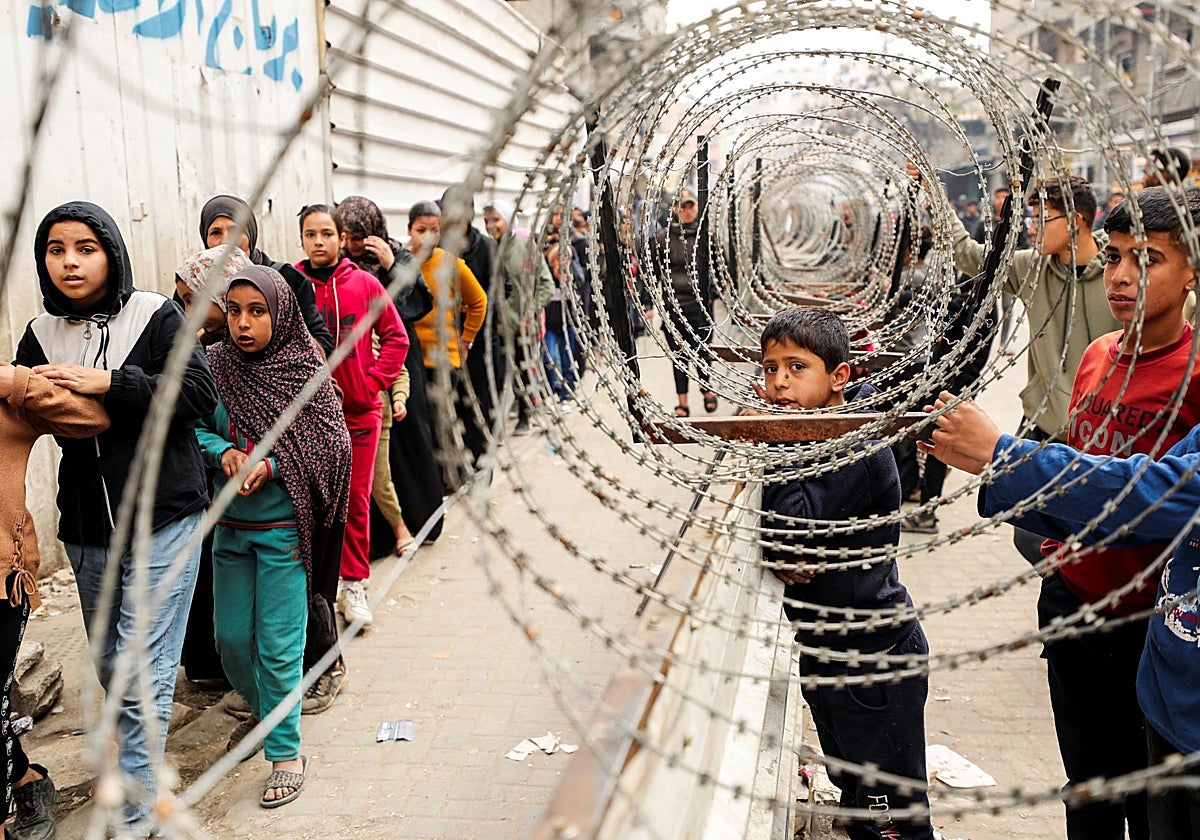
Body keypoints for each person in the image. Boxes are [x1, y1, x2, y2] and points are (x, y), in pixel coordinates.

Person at [15, 201, 218, 834]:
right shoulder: (38, 334)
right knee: (110, 664)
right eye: (56, 250)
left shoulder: (155, 314)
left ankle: (136, 817)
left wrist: (110, 383)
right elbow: (24, 414)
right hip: (87, 528)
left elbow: (196, 396)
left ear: (110, 252)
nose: (70, 262)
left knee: (142, 672)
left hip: (165, 517)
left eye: (85, 248)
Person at [921, 392, 1200, 840]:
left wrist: (1006, 456)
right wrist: (1002, 471)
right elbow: (1119, 517)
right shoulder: (1101, 358)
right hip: (1165, 692)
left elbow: (1147, 493)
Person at [756, 308, 934, 840]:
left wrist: (775, 450)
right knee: (857, 798)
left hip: (873, 658)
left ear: (839, 377)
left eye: (796, 367)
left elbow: (792, 527)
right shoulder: (813, 439)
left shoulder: (851, 444)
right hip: (830, 650)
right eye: (769, 369)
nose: (780, 382)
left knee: (891, 819)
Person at [908, 164, 1120, 561]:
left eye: (1042, 219)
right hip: (1044, 427)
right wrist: (936, 196)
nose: (1033, 228)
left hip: (1104, 437)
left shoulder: (1119, 272)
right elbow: (970, 257)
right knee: (1031, 534)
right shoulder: (1031, 267)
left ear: (1074, 222)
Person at [199, 266, 352, 808]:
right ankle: (269, 717)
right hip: (229, 532)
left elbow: (332, 441)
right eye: (234, 310)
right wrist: (224, 453)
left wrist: (275, 464)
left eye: (257, 311)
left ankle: (286, 755)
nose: (243, 323)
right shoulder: (213, 366)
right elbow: (189, 424)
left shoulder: (305, 369)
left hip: (285, 533)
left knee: (280, 648)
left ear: (280, 312)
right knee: (232, 644)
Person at [0, 363, 109, 839]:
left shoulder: (5, 400)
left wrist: (19, 385)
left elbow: (89, 418)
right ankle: (26, 779)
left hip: (2, 579)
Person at [295, 206, 408, 649]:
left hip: (360, 414)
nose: (319, 241)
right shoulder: (293, 287)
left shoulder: (365, 283)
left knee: (355, 500)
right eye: (310, 234)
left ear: (342, 239)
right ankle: (316, 593)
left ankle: (354, 584)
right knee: (315, 502)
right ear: (301, 239)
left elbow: (396, 337)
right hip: (312, 416)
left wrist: (372, 383)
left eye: (327, 233)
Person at [337, 195, 444, 546]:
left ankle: (420, 520)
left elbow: (419, 304)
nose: (353, 245)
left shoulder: (398, 255)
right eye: (347, 237)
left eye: (359, 237)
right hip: (358, 368)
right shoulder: (339, 268)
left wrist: (390, 266)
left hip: (397, 361)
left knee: (409, 436)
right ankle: (380, 535)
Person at [407, 200, 488, 486]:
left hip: (445, 360)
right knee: (424, 426)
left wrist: (466, 342)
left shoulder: (451, 264)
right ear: (409, 231)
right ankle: (434, 480)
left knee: (445, 422)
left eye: (434, 230)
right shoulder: (403, 265)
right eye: (420, 229)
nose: (427, 236)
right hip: (412, 362)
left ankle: (455, 475)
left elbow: (478, 302)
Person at [199, 195, 335, 356]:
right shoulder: (196, 285)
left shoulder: (287, 278)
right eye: (215, 232)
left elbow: (323, 342)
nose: (226, 241)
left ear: (250, 233)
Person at [482, 198, 554, 436]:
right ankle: (496, 425)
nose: (491, 225)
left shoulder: (525, 247)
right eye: (486, 221)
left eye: (496, 219)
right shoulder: (487, 251)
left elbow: (546, 284)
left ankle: (526, 415)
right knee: (497, 376)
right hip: (498, 327)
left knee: (523, 373)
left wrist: (531, 312)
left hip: (524, 326)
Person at [653, 188, 717, 417]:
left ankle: (706, 390)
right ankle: (683, 402)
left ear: (696, 209)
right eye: (683, 207)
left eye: (691, 206)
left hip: (700, 306)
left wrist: (712, 292)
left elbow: (720, 266)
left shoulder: (705, 237)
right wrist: (650, 303)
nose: (687, 211)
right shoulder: (663, 238)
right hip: (674, 305)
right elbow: (653, 271)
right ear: (676, 210)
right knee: (679, 354)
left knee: (702, 351)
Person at [541, 242, 578, 402]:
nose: (561, 263)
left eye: (565, 259)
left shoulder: (574, 275)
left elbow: (579, 298)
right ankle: (552, 390)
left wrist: (566, 282)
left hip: (567, 325)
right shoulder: (545, 276)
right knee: (550, 358)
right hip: (549, 325)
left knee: (566, 359)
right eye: (558, 259)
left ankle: (567, 393)